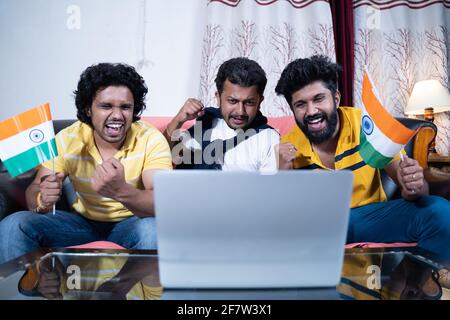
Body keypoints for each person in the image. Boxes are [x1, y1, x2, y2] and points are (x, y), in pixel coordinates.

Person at [275, 55, 450, 259]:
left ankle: (416, 280)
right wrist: (281, 175)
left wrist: (414, 185)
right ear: (293, 109)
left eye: (318, 99)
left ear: (336, 98)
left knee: (437, 211)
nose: (312, 111)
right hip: (320, 228)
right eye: (301, 104)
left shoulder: (366, 125)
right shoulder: (286, 148)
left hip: (371, 217)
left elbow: (412, 192)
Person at [0, 63, 172, 264]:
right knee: (15, 224)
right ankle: (29, 291)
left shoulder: (150, 139)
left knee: (152, 229)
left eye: (125, 107)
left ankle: (148, 295)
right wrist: (42, 200)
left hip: (132, 223)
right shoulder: (68, 138)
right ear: (87, 109)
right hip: (80, 225)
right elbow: (36, 190)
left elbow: (161, 203)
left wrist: (119, 191)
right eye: (106, 106)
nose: (117, 115)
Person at [163, 57, 279, 172]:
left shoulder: (269, 139)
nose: (240, 111)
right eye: (232, 101)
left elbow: (270, 188)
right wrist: (178, 121)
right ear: (218, 98)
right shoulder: (207, 122)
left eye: (249, 103)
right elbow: (160, 158)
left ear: (260, 102)